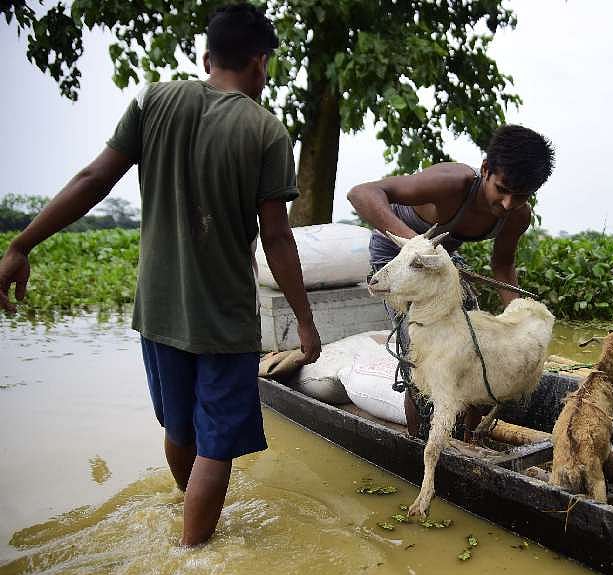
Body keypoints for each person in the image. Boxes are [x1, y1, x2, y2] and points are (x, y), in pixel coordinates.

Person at [0, 3, 320, 546]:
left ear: (206, 57)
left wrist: (21, 243)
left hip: (158, 311)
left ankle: (186, 512)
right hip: (223, 318)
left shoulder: (152, 100)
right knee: (216, 446)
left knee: (179, 428)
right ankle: (192, 556)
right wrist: (305, 324)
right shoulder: (266, 132)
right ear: (260, 61)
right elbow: (278, 237)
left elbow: (93, 179)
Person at [347, 125, 555, 438]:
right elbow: (362, 193)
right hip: (397, 256)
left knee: (476, 348)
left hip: (443, 263)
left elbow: (502, 265)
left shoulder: (517, 216)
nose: (509, 203)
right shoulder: (452, 183)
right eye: (502, 189)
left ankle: (468, 441)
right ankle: (418, 444)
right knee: (421, 360)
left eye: (521, 196)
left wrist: (521, 317)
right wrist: (418, 247)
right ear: (486, 170)